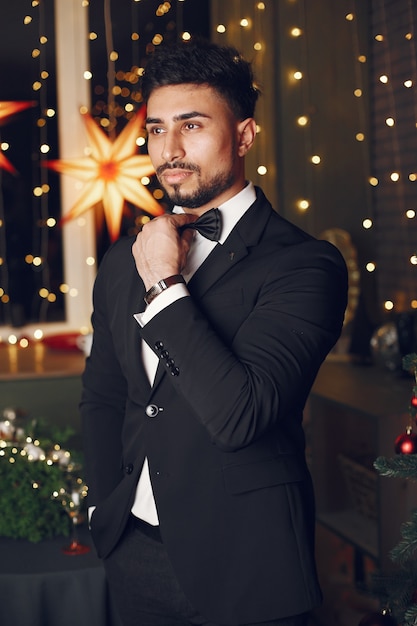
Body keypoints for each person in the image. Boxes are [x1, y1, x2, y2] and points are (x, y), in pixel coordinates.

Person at [80, 38, 348, 626]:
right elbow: (104, 397)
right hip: (133, 555)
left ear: (246, 135)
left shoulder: (306, 265)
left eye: (192, 126)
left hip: (249, 566)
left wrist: (163, 284)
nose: (169, 151)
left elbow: (241, 415)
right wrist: (106, 508)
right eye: (155, 130)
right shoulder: (125, 259)